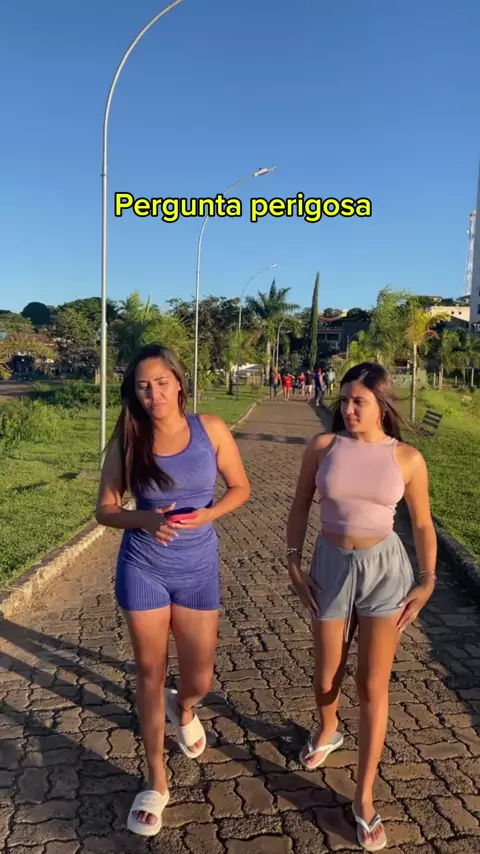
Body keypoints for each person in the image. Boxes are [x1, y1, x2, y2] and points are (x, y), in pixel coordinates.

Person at [95, 344, 250, 838]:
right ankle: (156, 779)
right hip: (143, 567)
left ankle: (183, 708)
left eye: (161, 382)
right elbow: (105, 510)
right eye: (143, 386)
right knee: (150, 672)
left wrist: (209, 514)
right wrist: (145, 518)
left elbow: (241, 488)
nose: (153, 393)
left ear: (179, 382)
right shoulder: (128, 439)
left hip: (198, 568)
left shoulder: (211, 430)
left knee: (199, 679)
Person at [286, 362, 437, 852]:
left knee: (373, 684)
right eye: (345, 400)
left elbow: (422, 524)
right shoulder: (323, 447)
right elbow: (301, 504)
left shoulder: (407, 458)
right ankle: (328, 728)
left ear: (382, 406)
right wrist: (293, 561)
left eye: (359, 402)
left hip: (384, 570)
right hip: (330, 565)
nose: (348, 409)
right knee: (325, 677)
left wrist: (428, 580)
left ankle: (364, 795)